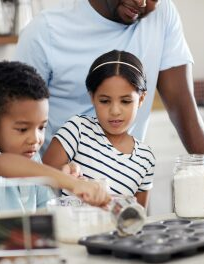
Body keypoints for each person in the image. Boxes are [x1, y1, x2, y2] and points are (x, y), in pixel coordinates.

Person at [15, 0, 204, 210]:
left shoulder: (162, 15)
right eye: (104, 100)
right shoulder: (45, 32)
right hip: (56, 203)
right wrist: (60, 181)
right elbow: (16, 131)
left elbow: (182, 103)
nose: (141, 2)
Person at [0, 61, 109, 213]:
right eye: (23, 129)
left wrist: (70, 189)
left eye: (41, 127)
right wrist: (70, 183)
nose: (35, 139)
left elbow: (47, 211)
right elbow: (2, 164)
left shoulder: (33, 159)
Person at [43, 50, 155, 208]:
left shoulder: (145, 159)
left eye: (125, 101)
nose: (115, 110)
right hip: (68, 229)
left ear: (141, 98)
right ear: (92, 97)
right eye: (104, 101)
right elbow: (39, 181)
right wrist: (64, 174)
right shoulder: (78, 130)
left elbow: (136, 217)